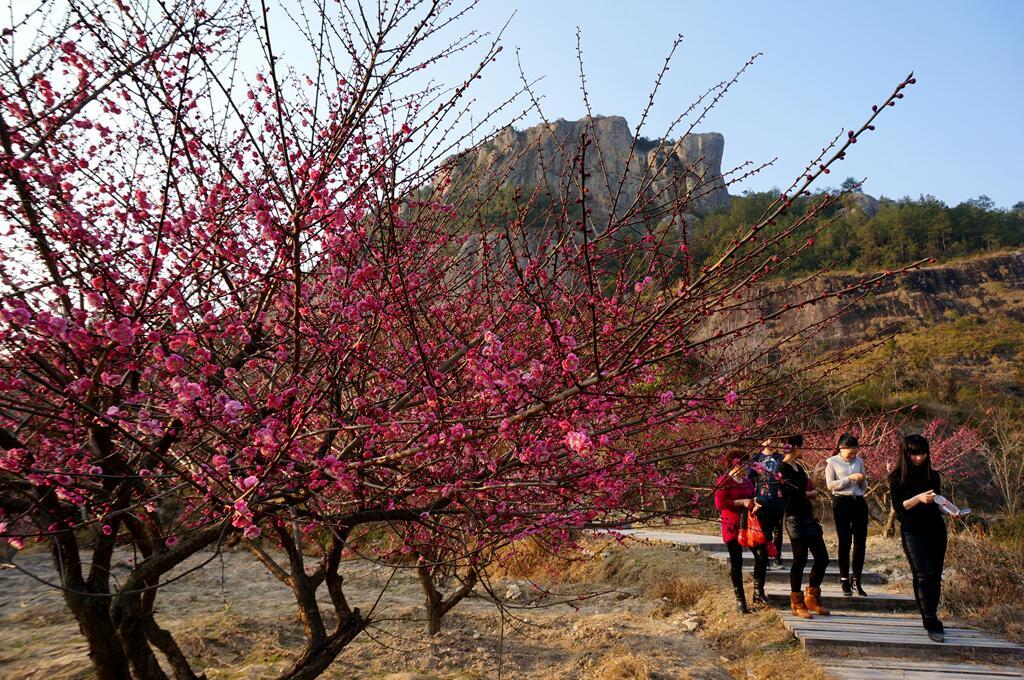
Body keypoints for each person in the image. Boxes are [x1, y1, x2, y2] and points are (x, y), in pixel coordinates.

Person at [889, 434, 947, 643]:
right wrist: (918, 498)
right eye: (914, 454)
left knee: (935, 575)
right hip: (912, 530)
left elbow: (938, 502)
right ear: (906, 454)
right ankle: (930, 620)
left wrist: (949, 509)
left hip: (936, 529)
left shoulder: (933, 475)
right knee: (922, 574)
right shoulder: (896, 477)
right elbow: (898, 507)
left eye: (923, 453)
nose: (919, 458)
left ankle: (932, 613)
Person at [778, 433, 831, 618]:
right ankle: (797, 602)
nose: (804, 449)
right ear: (794, 447)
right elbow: (794, 494)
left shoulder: (798, 468)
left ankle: (812, 598)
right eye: (802, 446)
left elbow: (808, 490)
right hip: (794, 519)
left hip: (808, 517)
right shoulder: (782, 468)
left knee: (822, 558)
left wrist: (815, 475)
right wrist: (809, 493)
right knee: (799, 560)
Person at [714, 449, 759, 613]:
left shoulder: (747, 481)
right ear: (736, 463)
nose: (748, 466)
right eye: (745, 462)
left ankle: (758, 592)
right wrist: (741, 502)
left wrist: (755, 502)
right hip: (731, 525)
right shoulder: (724, 481)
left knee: (761, 556)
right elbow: (720, 504)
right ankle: (740, 599)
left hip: (749, 526)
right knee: (737, 561)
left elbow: (753, 496)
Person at [825, 432, 869, 596]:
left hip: (858, 501)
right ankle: (844, 579)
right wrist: (849, 478)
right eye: (850, 453)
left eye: (855, 453)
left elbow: (864, 487)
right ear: (841, 448)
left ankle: (857, 579)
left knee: (860, 542)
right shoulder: (832, 462)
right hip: (841, 502)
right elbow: (830, 485)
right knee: (845, 541)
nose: (853, 456)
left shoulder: (859, 461)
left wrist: (862, 480)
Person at [749, 439, 785, 568]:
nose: (771, 442)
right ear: (761, 441)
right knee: (765, 529)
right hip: (762, 497)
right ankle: (765, 559)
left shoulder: (781, 458)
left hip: (778, 497)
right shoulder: (756, 458)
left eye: (775, 440)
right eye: (768, 439)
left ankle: (777, 557)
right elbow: (750, 478)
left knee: (778, 530)